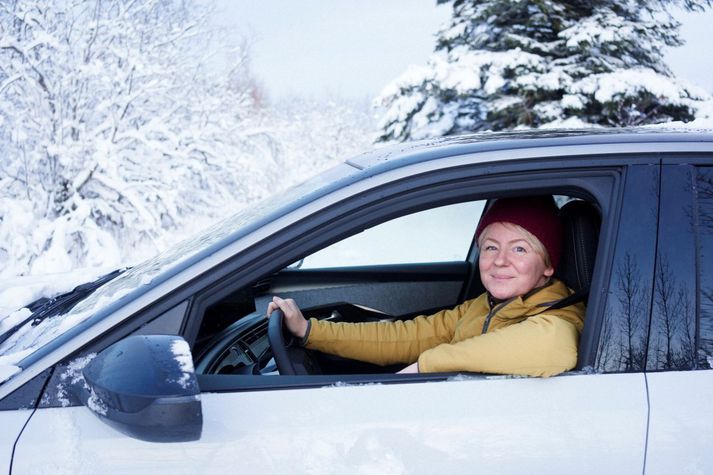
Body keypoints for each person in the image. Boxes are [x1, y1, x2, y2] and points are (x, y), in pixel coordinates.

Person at [267, 196, 585, 377]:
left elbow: (552, 345)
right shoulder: (482, 306)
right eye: (490, 247)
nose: (500, 260)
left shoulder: (562, 314)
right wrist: (310, 331)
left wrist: (426, 366)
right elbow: (406, 336)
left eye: (519, 249)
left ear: (548, 265)